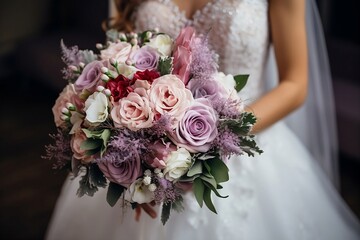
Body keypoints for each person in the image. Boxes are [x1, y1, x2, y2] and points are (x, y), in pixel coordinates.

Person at [46, 0, 360, 239]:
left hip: (247, 145)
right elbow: (120, 63)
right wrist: (132, 141)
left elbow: (295, 84)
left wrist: (211, 138)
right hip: (149, 158)